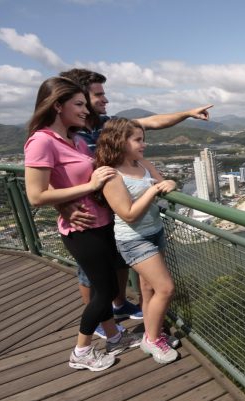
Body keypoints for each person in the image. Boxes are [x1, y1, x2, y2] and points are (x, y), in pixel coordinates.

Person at [57, 68, 213, 340]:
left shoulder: (108, 124)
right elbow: (52, 174)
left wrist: (187, 113)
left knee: (119, 263)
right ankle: (96, 319)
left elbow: (152, 122)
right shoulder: (67, 132)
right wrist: (63, 206)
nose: (105, 99)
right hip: (88, 213)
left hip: (114, 209)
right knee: (91, 273)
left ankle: (118, 305)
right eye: (98, 95)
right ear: (78, 96)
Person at [23, 77, 141, 371]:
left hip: (100, 221)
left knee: (108, 286)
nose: (85, 110)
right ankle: (81, 351)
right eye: (78, 104)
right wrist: (88, 187)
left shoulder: (74, 139)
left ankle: (114, 337)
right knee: (102, 293)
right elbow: (36, 195)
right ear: (57, 105)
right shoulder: (41, 141)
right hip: (81, 230)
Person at [96, 118, 178, 363]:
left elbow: (164, 182)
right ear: (120, 141)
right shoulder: (112, 175)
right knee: (166, 288)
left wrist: (169, 183)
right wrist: (152, 190)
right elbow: (128, 214)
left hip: (155, 231)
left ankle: (154, 332)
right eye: (138, 139)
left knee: (148, 288)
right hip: (134, 239)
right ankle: (152, 340)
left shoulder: (142, 163)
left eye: (143, 139)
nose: (143, 144)